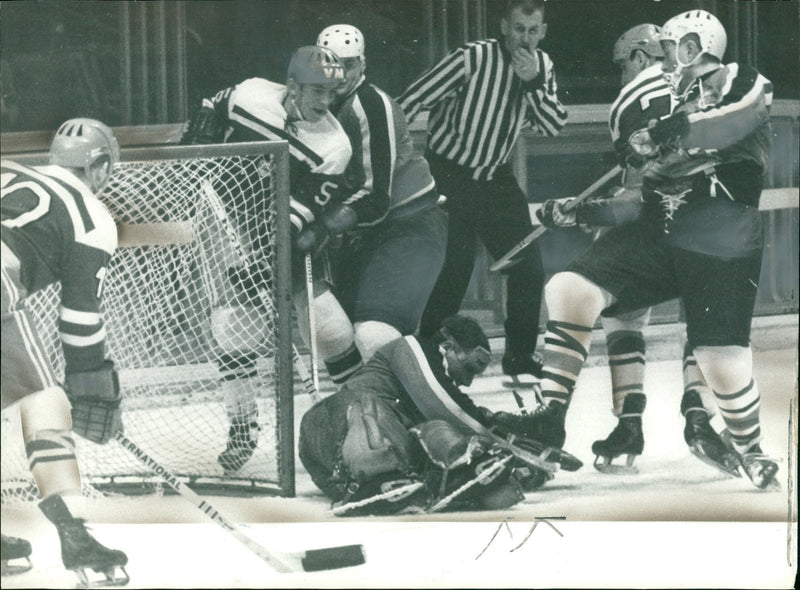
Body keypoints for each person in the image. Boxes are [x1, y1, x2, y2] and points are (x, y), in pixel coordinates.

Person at [515, 9, 779, 490]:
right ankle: (551, 418)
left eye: (669, 52)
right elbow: (644, 201)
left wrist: (659, 134)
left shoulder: (743, 82)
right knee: (570, 287)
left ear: (695, 48)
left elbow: (731, 118)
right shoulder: (671, 104)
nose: (663, 63)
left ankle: (750, 446)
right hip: (661, 234)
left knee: (721, 361)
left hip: (719, 243)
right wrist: (582, 213)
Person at [180, 46, 366, 472]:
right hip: (228, 214)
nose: (325, 101)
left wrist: (267, 260)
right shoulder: (250, 96)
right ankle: (243, 427)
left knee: (330, 327)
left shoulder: (334, 146)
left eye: (332, 92)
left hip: (286, 231)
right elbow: (214, 104)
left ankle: (364, 416)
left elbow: (295, 217)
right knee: (233, 328)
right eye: (317, 91)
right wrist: (204, 131)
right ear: (293, 86)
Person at [397, 0, 567, 381]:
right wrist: (396, 160)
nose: (525, 38)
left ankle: (520, 357)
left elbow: (553, 125)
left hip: (495, 178)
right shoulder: (471, 58)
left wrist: (534, 83)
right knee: (454, 269)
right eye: (519, 28)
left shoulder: (543, 67)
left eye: (533, 30)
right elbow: (411, 100)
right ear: (505, 26)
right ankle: (428, 360)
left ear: (543, 32)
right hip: (448, 175)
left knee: (528, 265)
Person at [1, 118, 129, 585]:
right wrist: (91, 380)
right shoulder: (91, 215)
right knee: (43, 400)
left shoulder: (9, 170)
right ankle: (75, 534)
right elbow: (79, 320)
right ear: (98, 166)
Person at [298, 314, 544, 516]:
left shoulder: (415, 402)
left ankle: (441, 479)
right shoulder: (412, 346)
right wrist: (509, 440)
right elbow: (447, 404)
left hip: (340, 468)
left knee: (433, 432)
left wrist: (517, 463)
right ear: (447, 348)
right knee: (369, 412)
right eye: (469, 367)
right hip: (336, 418)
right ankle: (385, 476)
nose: (467, 381)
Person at [314, 24, 448, 361]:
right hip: (368, 236)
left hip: (410, 227)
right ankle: (368, 409)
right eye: (332, 64)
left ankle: (417, 408)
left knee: (375, 334)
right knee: (339, 335)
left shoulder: (369, 103)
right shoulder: (321, 110)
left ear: (363, 64)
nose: (341, 73)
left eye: (350, 64)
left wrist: (319, 227)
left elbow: (376, 200)